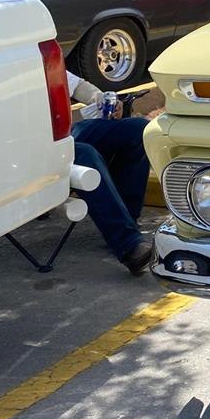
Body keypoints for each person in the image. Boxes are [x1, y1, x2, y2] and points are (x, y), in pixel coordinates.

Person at [68, 73, 153, 274]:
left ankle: (128, 219)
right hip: (32, 151)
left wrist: (99, 99)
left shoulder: (42, 56)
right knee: (84, 154)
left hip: (65, 134)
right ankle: (129, 244)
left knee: (139, 130)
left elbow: (78, 85)